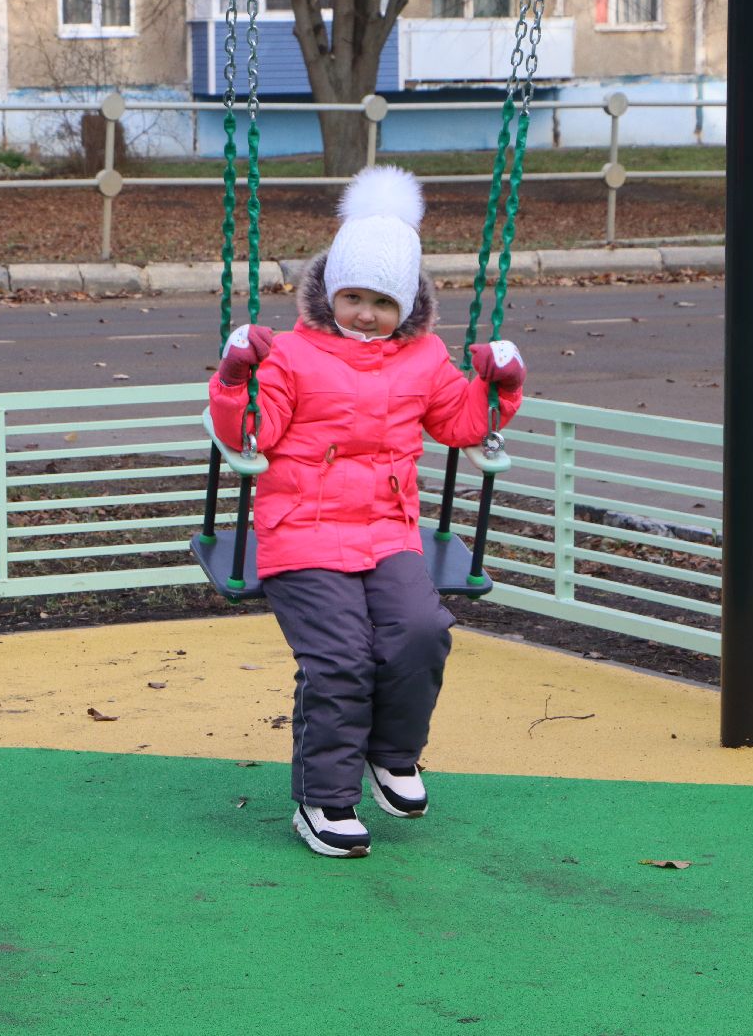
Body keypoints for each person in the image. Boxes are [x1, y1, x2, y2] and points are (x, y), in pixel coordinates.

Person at [208, 166, 525, 858]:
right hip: (302, 532)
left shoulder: (424, 359)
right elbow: (247, 433)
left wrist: (498, 385)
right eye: (352, 296)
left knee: (420, 631)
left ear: (407, 306)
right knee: (342, 658)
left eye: (382, 302)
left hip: (386, 529)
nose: (364, 314)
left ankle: (392, 753)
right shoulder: (289, 356)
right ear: (327, 292)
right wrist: (236, 379)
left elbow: (463, 422)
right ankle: (324, 800)